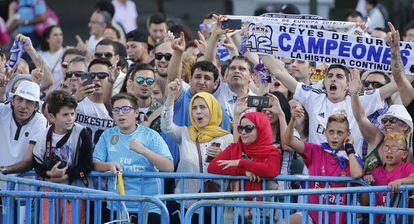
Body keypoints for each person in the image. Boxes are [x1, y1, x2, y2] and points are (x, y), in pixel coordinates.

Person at [261, 51, 397, 155]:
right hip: (317, 178)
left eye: (339, 76)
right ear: (324, 81)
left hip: (348, 176)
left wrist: (397, 52)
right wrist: (259, 45)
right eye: (330, 76)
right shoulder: (313, 97)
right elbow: (279, 72)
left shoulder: (359, 99)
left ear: (348, 83)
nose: (333, 80)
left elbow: (398, 83)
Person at [93, 93, 173, 223]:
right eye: (116, 110)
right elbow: (95, 163)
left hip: (149, 205)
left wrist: (143, 150)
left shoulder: (151, 135)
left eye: (125, 109)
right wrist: (108, 166)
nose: (120, 114)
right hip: (117, 205)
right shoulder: (107, 136)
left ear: (136, 112)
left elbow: (169, 167)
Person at [161, 81, 233, 218]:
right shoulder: (185, 133)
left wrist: (222, 157)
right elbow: (166, 126)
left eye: (202, 107)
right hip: (182, 203)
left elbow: (234, 168)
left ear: (213, 109)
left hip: (212, 205)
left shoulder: (227, 138)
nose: (198, 111)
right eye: (194, 108)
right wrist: (170, 97)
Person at [284, 110, 364, 224]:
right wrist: (292, 120)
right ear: (325, 132)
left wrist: (349, 147)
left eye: (340, 133)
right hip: (312, 215)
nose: (335, 137)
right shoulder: (316, 150)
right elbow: (288, 141)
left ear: (348, 135)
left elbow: (356, 174)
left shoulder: (352, 158)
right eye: (331, 132)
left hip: (339, 218)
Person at [32, 90, 93, 223]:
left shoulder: (83, 133)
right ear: (52, 116)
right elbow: (36, 163)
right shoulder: (43, 135)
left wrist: (67, 176)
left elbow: (87, 166)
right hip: (49, 190)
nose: (70, 118)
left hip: (75, 190)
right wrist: (49, 173)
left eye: (72, 114)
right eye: (65, 114)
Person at [208, 111, 281, 190]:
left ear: (261, 128)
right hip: (236, 201)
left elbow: (270, 170)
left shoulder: (272, 152)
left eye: (248, 128)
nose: (243, 132)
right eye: (240, 128)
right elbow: (212, 167)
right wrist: (242, 171)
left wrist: (240, 163)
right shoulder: (234, 148)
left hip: (263, 202)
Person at [0, 80, 47, 181]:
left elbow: (28, 161)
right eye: (20, 99)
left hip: (21, 189)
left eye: (29, 101)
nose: (23, 105)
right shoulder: (2, 110)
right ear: (13, 101)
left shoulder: (40, 121)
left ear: (36, 106)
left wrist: (3, 170)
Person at [363, 132, 414, 222]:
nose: (389, 151)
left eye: (394, 148)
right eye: (386, 147)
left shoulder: (407, 167)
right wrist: (367, 185)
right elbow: (365, 203)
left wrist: (401, 181)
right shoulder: (375, 172)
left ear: (404, 154)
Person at [75, 58, 115, 145]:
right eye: (92, 75)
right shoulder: (75, 101)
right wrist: (74, 100)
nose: (96, 79)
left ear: (111, 77)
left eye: (102, 75)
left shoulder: (117, 105)